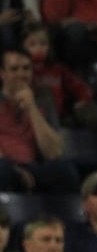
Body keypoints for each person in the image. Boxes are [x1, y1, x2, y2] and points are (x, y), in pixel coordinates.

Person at [0, 47, 78, 194]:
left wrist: (32, 108)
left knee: (65, 169)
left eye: (26, 68)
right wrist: (15, 170)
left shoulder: (43, 100)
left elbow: (54, 152)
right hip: (6, 167)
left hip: (34, 168)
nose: (21, 74)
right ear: (2, 73)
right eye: (14, 69)